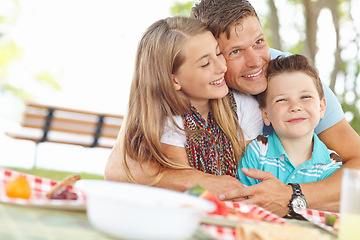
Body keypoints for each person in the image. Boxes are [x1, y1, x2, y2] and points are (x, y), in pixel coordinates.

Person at [106, 0, 360, 217]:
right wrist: (200, 181)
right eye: (235, 51)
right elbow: (118, 168)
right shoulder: (189, 84)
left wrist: (293, 196)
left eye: (259, 42)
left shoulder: (295, 82)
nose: (255, 62)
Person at [105, 16, 261, 191]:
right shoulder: (170, 122)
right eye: (205, 64)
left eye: (218, 53)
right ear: (174, 80)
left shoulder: (243, 105)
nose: (221, 67)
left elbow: (245, 177)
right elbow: (187, 189)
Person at [238, 54, 342, 188]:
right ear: (266, 114)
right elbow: (243, 202)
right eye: (281, 100)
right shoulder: (257, 153)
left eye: (305, 97)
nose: (295, 107)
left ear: (321, 107)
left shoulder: (331, 163)